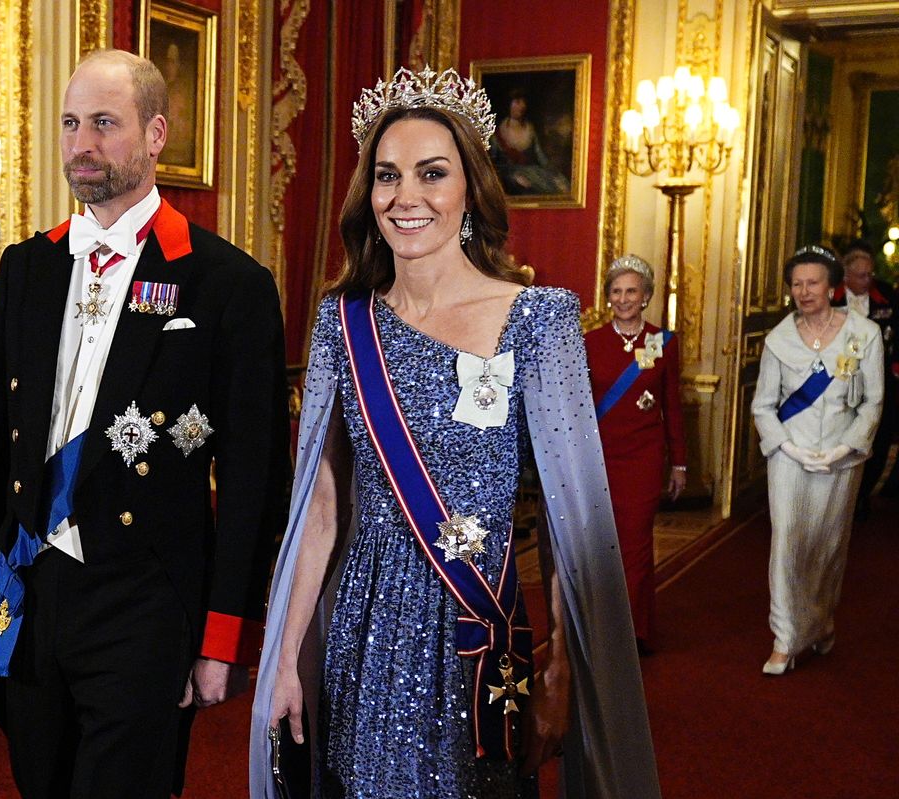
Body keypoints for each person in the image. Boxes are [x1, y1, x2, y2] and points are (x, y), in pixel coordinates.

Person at [252, 66, 658, 798]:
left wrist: (563, 664)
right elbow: (318, 512)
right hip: (366, 627)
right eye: (387, 176)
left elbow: (573, 521)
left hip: (479, 625)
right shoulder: (342, 323)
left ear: (469, 187)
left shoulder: (541, 319)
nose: (405, 197)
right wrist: (285, 659)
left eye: (431, 173)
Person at [0, 49, 291, 799]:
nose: (82, 144)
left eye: (104, 123)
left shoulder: (227, 284)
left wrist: (222, 634)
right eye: (71, 123)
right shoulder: (28, 267)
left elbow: (257, 480)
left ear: (156, 133)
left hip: (145, 600)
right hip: (29, 585)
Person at [752, 245, 884, 675]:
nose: (804, 291)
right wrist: (786, 447)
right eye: (796, 284)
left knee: (827, 547)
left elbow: (872, 402)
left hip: (841, 459)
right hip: (789, 456)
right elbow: (763, 406)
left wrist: (845, 448)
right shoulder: (779, 339)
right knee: (788, 542)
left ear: (832, 286)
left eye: (812, 282)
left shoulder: (863, 334)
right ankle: (785, 638)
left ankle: (822, 621)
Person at [584, 255, 686, 654]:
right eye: (616, 291)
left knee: (636, 542)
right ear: (608, 296)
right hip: (600, 455)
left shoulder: (663, 342)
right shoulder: (589, 341)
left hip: (643, 457)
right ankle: (600, 626)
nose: (623, 299)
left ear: (646, 296)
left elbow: (672, 405)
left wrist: (678, 461)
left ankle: (634, 629)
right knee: (598, 543)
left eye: (632, 291)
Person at [832, 240, 898, 516]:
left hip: (879, 378)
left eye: (870, 274)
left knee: (878, 438)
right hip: (839, 377)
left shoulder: (885, 294)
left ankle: (861, 495)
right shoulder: (829, 296)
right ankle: (838, 497)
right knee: (841, 435)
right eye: (862, 275)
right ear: (846, 276)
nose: (868, 279)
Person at [491, 88, 567, 196]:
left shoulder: (530, 129)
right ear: (509, 105)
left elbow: (540, 157)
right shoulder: (498, 133)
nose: (522, 106)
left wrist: (554, 174)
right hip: (510, 177)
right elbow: (493, 164)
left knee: (559, 185)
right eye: (518, 102)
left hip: (533, 173)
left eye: (524, 102)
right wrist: (512, 176)